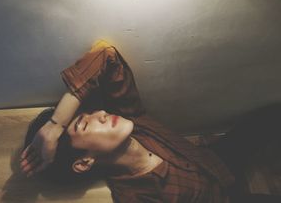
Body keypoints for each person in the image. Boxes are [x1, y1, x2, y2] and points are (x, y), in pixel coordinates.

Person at [20, 40, 280, 203]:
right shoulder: (138, 195)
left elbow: (106, 55)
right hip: (223, 198)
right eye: (84, 124)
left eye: (88, 112)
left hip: (212, 160)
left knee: (269, 117)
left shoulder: (131, 118)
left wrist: (56, 124)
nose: (99, 113)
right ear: (85, 161)